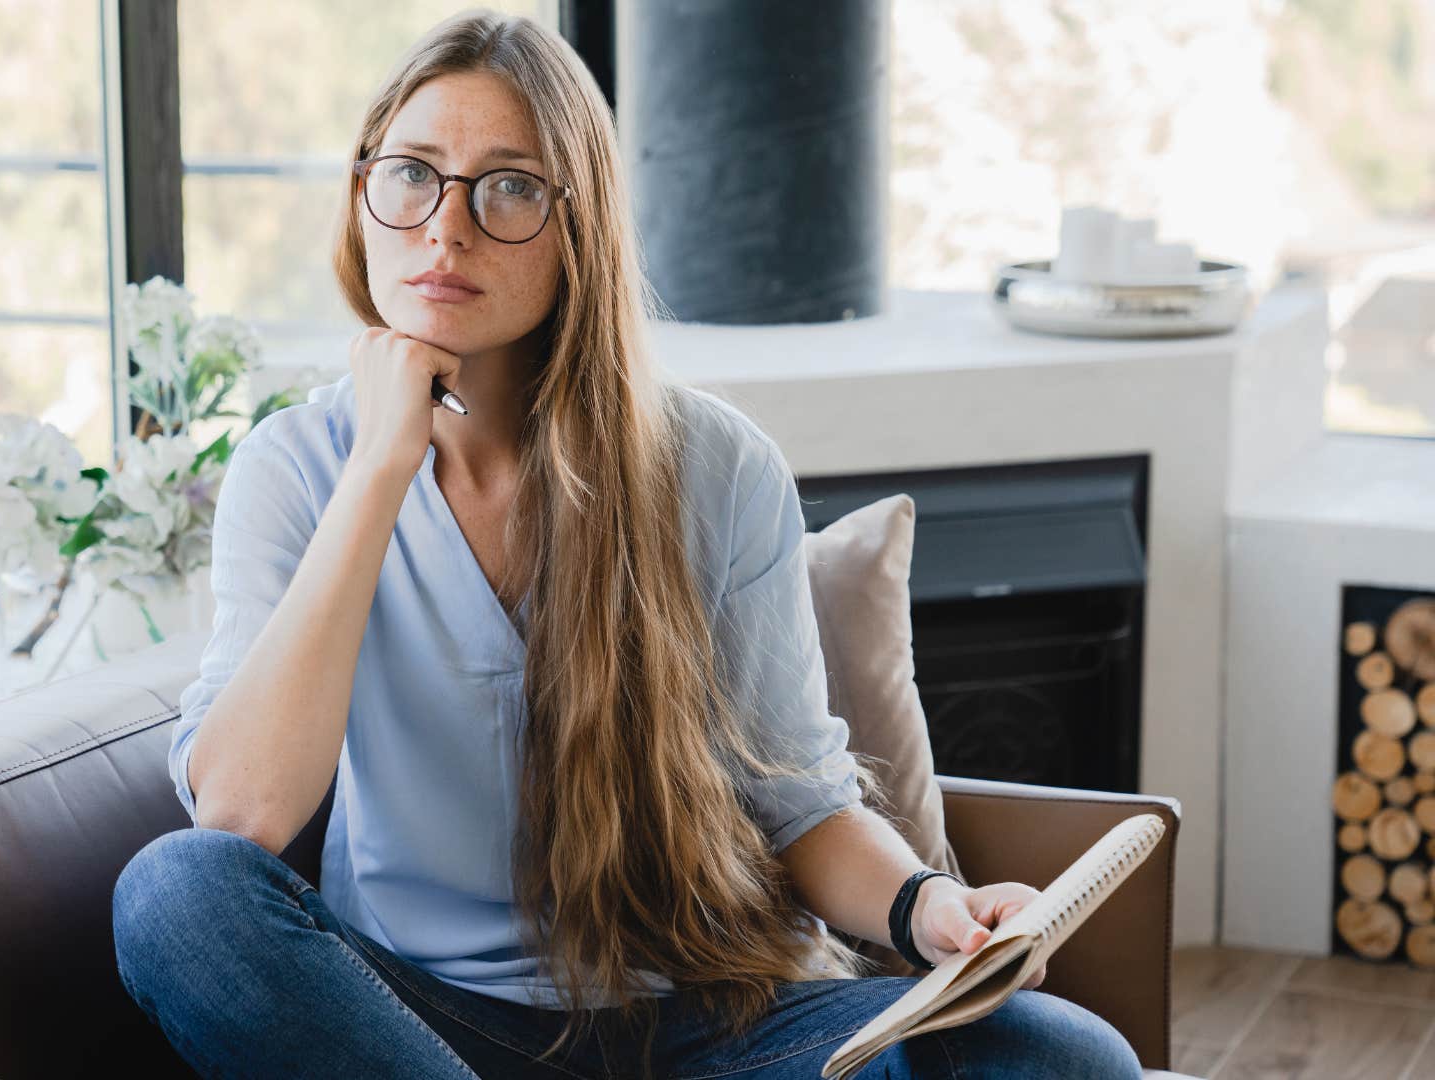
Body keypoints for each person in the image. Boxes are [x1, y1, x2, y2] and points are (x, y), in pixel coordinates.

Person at [112, 10, 1144, 1079]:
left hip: (703, 1024)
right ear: (363, 193)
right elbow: (241, 813)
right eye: (412, 173)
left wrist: (931, 909)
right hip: (426, 1031)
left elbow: (803, 807)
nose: (446, 229)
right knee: (175, 896)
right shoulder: (297, 465)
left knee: (1063, 1057)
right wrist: (380, 466)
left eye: (509, 186)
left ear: (579, 226)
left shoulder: (716, 465)